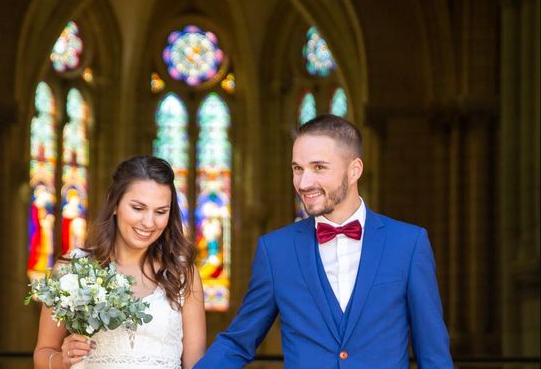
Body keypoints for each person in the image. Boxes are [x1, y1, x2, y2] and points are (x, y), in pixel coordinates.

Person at [195, 114, 453, 368]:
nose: (304, 183)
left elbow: (433, 355)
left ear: (354, 170)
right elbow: (238, 342)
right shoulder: (276, 251)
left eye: (319, 167)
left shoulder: (408, 244)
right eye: (298, 169)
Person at [33, 155, 206, 369]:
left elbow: (196, 365)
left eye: (161, 211)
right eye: (138, 208)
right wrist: (62, 359)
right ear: (114, 203)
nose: (149, 222)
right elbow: (43, 353)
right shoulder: (71, 269)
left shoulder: (183, 275)